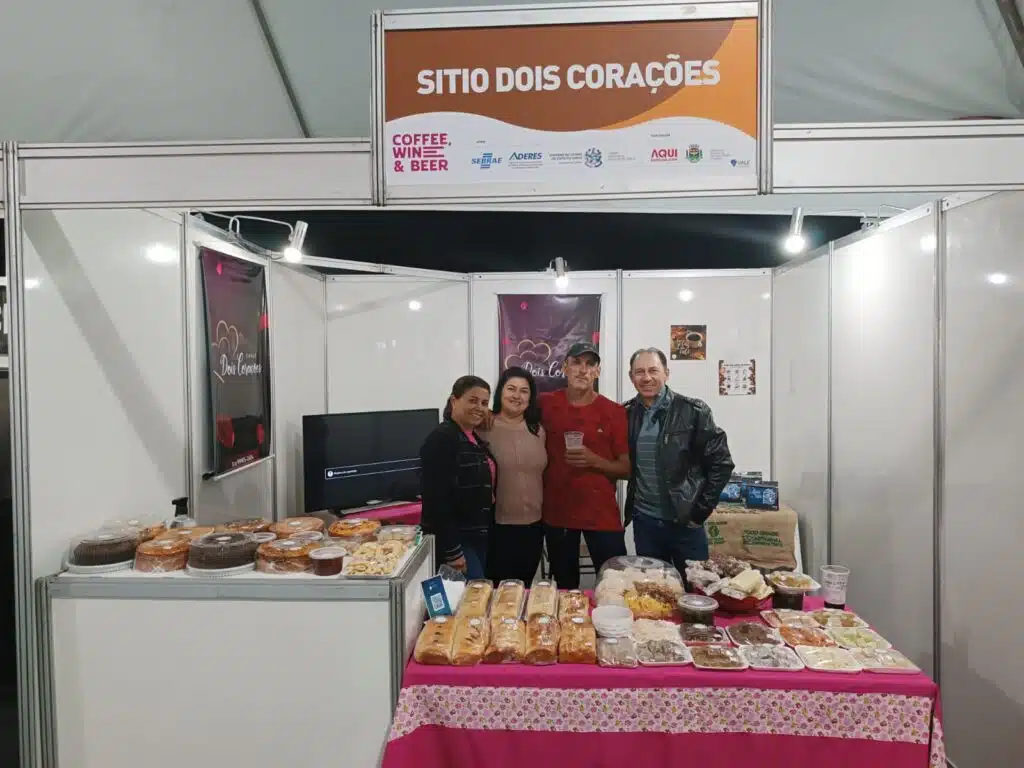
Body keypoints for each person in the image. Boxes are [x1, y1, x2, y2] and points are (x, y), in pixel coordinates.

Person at [625, 347, 735, 573]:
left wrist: (700, 512)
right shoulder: (626, 413)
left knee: (696, 587)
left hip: (685, 522)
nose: (647, 378)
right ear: (631, 377)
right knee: (653, 588)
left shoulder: (693, 411)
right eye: (640, 372)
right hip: (645, 523)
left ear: (666, 373)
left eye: (653, 370)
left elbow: (721, 463)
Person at [540, 342, 631, 589]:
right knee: (565, 588)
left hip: (601, 514)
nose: (583, 370)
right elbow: (512, 415)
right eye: (576, 363)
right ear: (564, 368)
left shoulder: (614, 412)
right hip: (558, 513)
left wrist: (594, 461)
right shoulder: (544, 404)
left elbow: (626, 469)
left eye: (590, 364)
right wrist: (489, 417)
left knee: (615, 583)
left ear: (597, 372)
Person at [419, 375, 495, 579]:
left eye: (484, 403)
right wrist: (452, 551)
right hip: (458, 539)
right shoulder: (442, 439)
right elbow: (436, 500)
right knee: (470, 594)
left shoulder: (472, 436)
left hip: (477, 533)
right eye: (472, 400)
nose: (479, 407)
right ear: (454, 400)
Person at [480, 367, 547, 584]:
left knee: (524, 587)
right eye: (511, 389)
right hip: (497, 527)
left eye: (524, 391)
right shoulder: (483, 427)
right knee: (498, 590)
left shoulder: (537, 430)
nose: (517, 396)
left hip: (534, 526)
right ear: (500, 392)